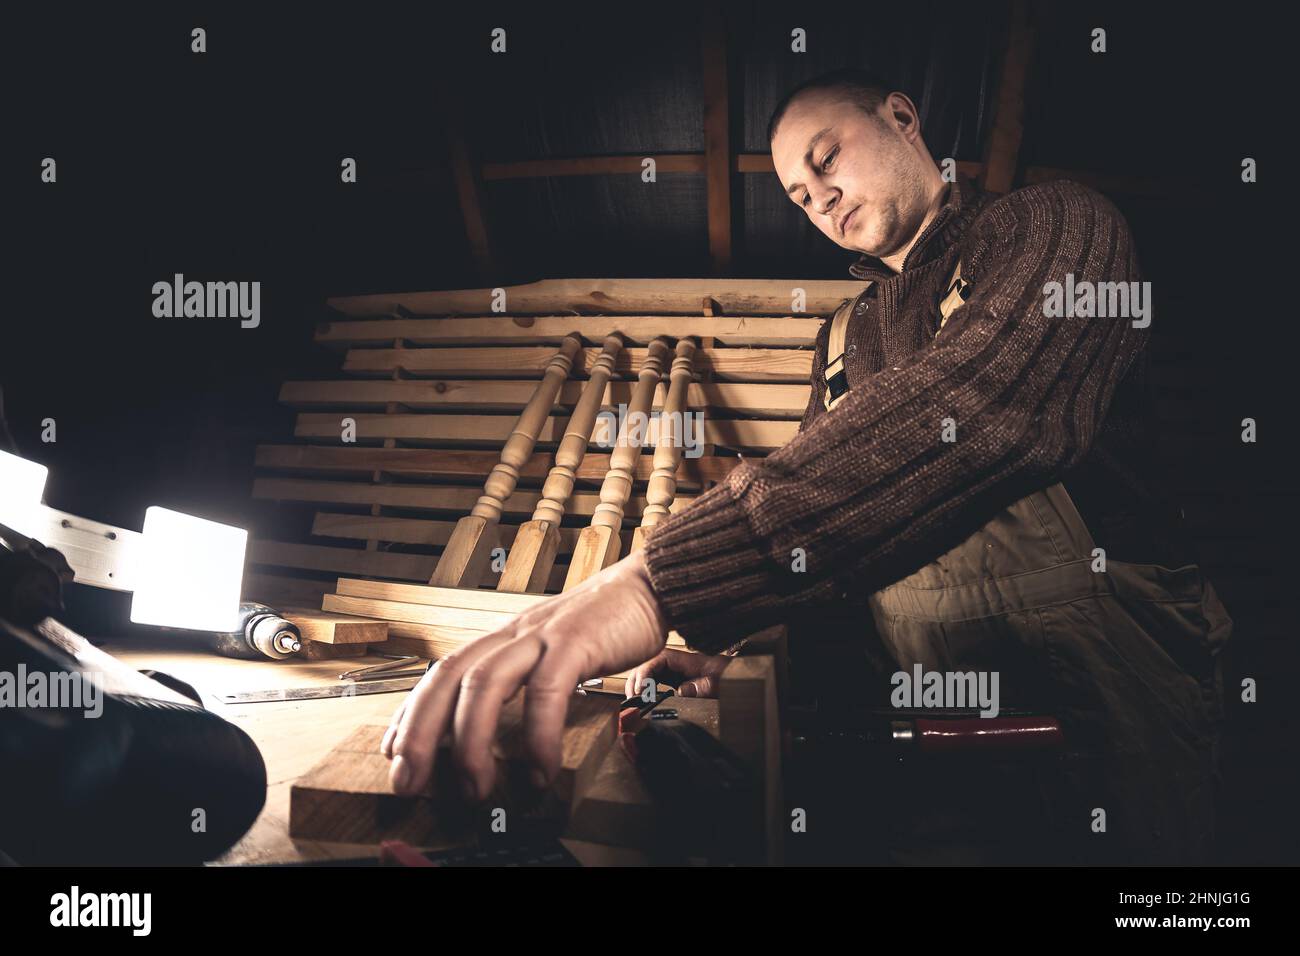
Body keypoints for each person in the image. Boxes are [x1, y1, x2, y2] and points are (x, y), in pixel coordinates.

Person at [382, 68, 1232, 863]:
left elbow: (987, 408)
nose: (816, 196)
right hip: (926, 702)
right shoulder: (844, 338)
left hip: (1102, 681)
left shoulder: (1055, 225)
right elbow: (832, 551)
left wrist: (658, 583)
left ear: (902, 119)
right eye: (796, 192)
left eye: (825, 159)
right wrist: (745, 647)